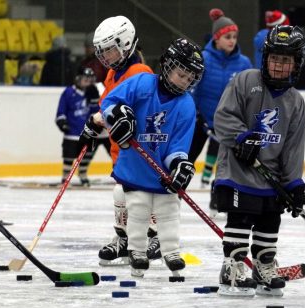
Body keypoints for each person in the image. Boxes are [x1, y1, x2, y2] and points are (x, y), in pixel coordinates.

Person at [80, 38, 205, 277]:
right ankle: (136, 251)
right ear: (167, 65)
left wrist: (179, 164)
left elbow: (178, 145)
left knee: (169, 210)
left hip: (162, 174)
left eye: (191, 79)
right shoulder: (142, 83)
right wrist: (119, 115)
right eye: (182, 74)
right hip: (135, 167)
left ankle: (171, 251)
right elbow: (110, 102)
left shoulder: (186, 104)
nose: (185, 82)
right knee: (136, 210)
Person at [213, 25, 305, 297]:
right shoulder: (245, 80)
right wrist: (240, 138)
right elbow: (223, 117)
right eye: (275, 58)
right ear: (265, 58)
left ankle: (264, 266)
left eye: (286, 60)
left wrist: (293, 184)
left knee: (270, 221)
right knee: (241, 219)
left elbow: (293, 148)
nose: (278, 65)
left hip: (271, 176)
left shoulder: (296, 101)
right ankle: (232, 268)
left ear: (296, 64)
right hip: (238, 172)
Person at [88, 16, 159, 267]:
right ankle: (124, 239)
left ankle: (153, 237)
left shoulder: (139, 72)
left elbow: (138, 112)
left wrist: (103, 120)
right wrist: (96, 122)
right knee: (122, 194)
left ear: (125, 43)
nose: (105, 56)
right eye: (102, 51)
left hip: (137, 148)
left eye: (109, 49)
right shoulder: (112, 73)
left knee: (136, 193)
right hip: (121, 148)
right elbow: (108, 107)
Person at [189, 8, 252, 212]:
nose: (232, 40)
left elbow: (249, 95)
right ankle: (172, 194)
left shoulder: (243, 64)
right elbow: (192, 90)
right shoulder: (204, 59)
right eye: (227, 37)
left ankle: (217, 200)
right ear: (217, 38)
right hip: (202, 121)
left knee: (224, 166)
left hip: (226, 124)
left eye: (234, 36)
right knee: (186, 158)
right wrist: (196, 115)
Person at [55, 66, 105, 186]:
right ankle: (65, 177)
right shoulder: (68, 92)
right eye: (85, 79)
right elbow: (61, 111)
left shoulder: (92, 93)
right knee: (68, 156)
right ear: (78, 79)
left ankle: (82, 174)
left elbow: (96, 112)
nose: (88, 82)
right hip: (71, 134)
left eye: (90, 80)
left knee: (86, 156)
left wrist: (95, 101)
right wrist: (62, 123)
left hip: (86, 133)